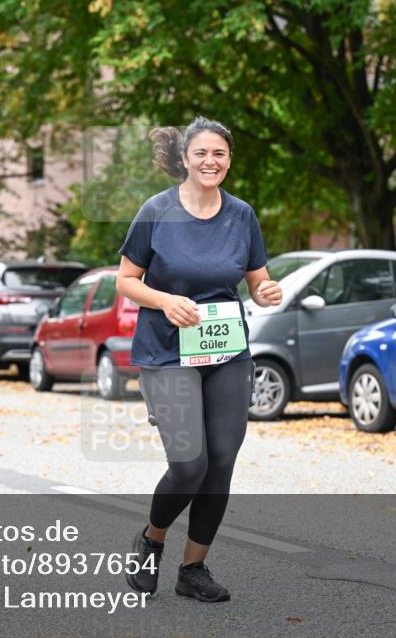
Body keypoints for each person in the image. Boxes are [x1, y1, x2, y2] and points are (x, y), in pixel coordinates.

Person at [117, 118, 282, 602]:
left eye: (220, 154)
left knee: (221, 462)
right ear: (186, 158)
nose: (211, 161)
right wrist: (165, 300)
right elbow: (126, 280)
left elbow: (258, 281)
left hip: (226, 350)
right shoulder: (156, 211)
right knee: (190, 463)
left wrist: (268, 291)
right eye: (202, 153)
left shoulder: (242, 215)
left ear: (229, 160)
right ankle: (151, 538)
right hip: (168, 351)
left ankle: (194, 570)